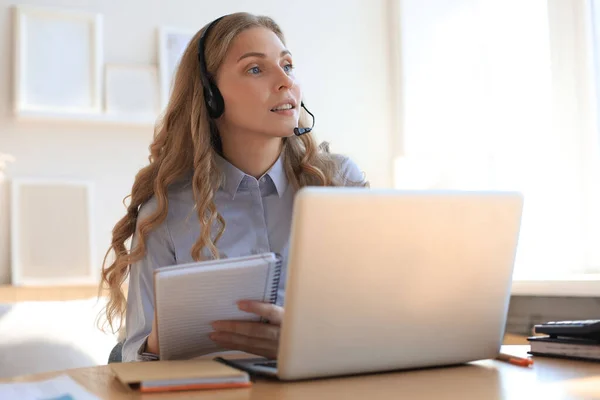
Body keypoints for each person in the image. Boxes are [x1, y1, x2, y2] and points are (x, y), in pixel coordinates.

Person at [99, 12, 368, 363]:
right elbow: (134, 358)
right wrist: (162, 340)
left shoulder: (339, 183)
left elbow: (374, 320)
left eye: (287, 65)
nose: (285, 81)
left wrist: (304, 343)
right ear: (210, 95)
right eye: (256, 69)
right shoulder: (166, 211)